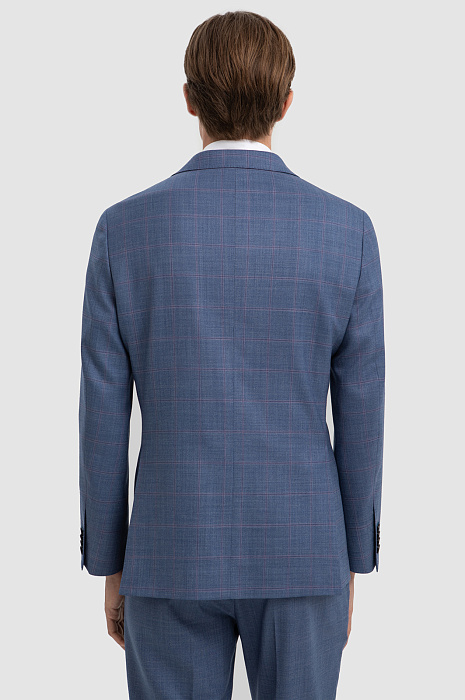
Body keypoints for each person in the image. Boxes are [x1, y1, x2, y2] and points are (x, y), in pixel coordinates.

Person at [79, 10, 385, 699]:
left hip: (169, 549)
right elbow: (362, 412)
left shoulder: (123, 230)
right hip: (304, 550)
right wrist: (349, 560)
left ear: (189, 99)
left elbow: (102, 411)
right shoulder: (347, 232)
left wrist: (111, 562)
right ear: (286, 102)